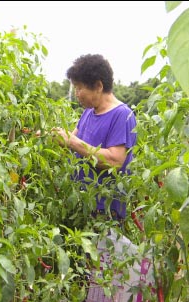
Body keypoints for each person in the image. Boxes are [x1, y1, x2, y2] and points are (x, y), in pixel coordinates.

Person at [51, 53, 137, 225]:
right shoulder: (89, 112)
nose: (76, 94)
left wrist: (71, 141)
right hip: (81, 207)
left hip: (104, 213)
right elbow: (73, 138)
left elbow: (115, 160)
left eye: (79, 88)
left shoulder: (122, 115)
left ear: (98, 86)